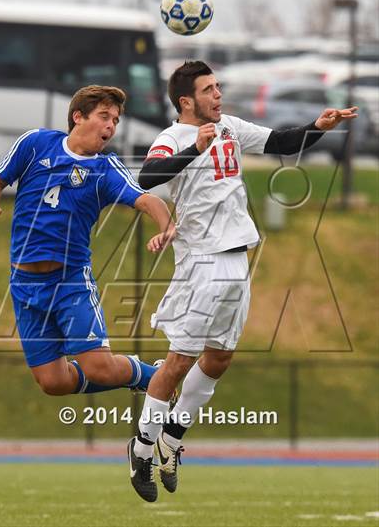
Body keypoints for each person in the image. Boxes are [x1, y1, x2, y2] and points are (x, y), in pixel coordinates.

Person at [127, 61, 358, 502]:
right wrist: (194, 147)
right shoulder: (172, 139)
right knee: (177, 362)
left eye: (218, 87)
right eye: (209, 90)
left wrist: (318, 126)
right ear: (185, 101)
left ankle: (171, 440)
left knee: (220, 359)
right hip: (202, 262)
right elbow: (148, 177)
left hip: (237, 259)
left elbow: (279, 141)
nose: (218, 95)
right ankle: (140, 449)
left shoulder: (228, 126)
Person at [0, 85, 175, 399]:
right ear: (78, 116)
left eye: (116, 120)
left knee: (100, 369)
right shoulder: (36, 143)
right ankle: (144, 373)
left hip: (69, 281)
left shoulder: (104, 169)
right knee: (53, 383)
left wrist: (165, 226)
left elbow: (147, 200)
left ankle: (158, 378)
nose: (111, 125)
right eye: (104, 116)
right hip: (25, 284)